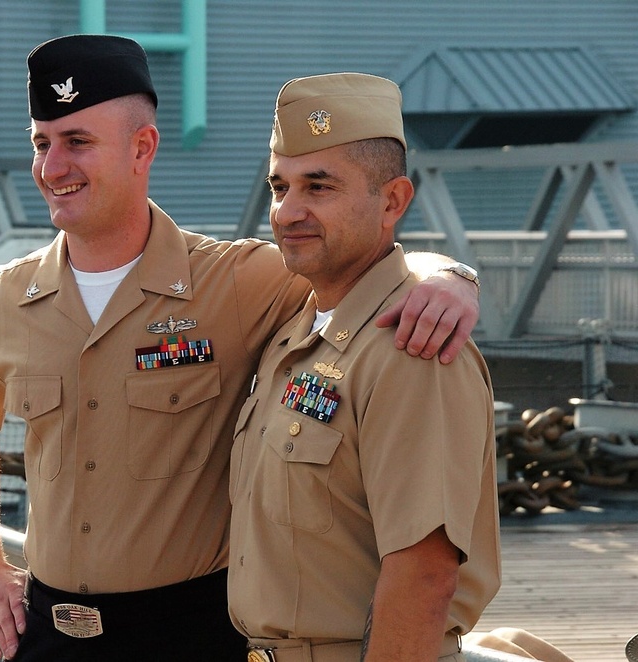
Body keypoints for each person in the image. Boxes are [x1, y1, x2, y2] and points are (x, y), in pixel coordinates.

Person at [0, 35, 480, 662]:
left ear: (143, 148)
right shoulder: (7, 296)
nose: (52, 167)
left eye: (78, 142)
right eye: (41, 143)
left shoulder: (238, 282)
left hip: (192, 635)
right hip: (47, 636)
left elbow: (358, 264)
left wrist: (448, 278)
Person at [228, 73, 569, 662]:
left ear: (393, 201)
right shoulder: (295, 332)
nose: (288, 211)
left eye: (320, 186)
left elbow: (425, 576)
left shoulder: (413, 350)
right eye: (280, 186)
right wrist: (450, 271)